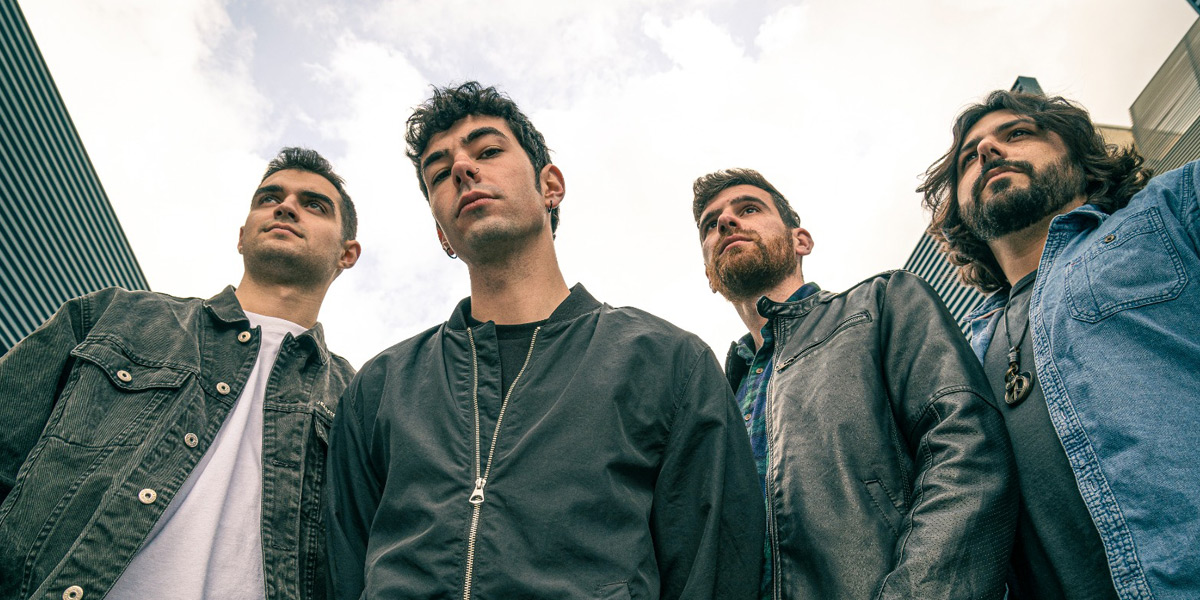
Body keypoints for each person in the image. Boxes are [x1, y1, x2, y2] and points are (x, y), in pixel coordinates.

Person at [324, 82, 763, 599]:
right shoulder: (378, 389)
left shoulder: (670, 363)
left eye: (488, 151)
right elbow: (342, 576)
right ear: (441, 232)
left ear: (550, 186)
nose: (462, 169)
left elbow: (714, 574)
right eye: (439, 173)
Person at [0, 147, 361, 600]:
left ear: (347, 253)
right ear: (241, 237)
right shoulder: (113, 316)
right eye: (269, 198)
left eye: (314, 205)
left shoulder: (359, 399)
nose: (285, 207)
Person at [919, 90, 1200, 600]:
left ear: (1078, 153)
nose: (987, 151)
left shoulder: (1170, 210)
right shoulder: (958, 358)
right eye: (968, 158)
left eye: (1017, 133)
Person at [692, 167, 1017, 599]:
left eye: (748, 209)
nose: (725, 222)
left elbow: (966, 450)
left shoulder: (882, 303)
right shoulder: (714, 400)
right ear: (710, 275)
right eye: (710, 225)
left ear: (800, 240)